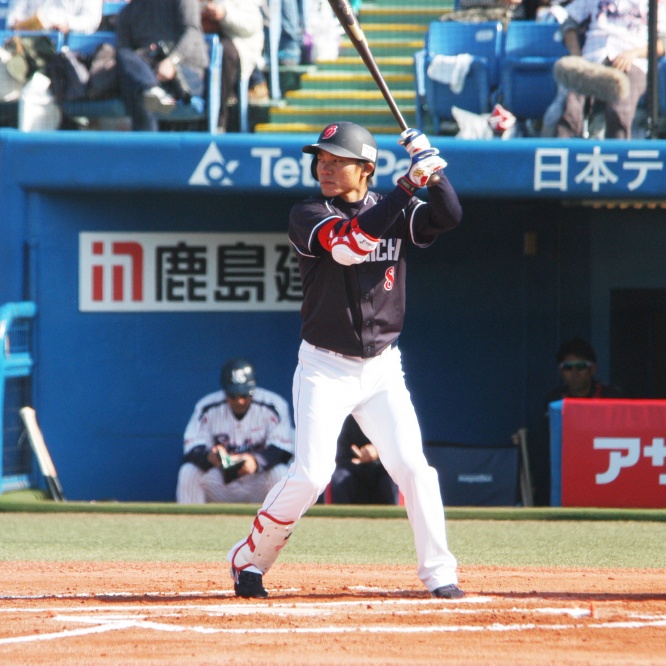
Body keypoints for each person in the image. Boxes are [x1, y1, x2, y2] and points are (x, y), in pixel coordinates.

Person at [226, 121, 465, 600]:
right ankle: (248, 559)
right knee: (312, 474)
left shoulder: (395, 208)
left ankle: (440, 574)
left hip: (381, 368)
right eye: (322, 160)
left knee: (415, 469)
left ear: (366, 169)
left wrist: (435, 173)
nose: (325, 168)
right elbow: (350, 247)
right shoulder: (309, 211)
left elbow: (449, 216)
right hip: (324, 367)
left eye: (338, 161)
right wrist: (408, 184)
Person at [176, 357, 294, 504]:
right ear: (225, 391)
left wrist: (255, 461)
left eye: (245, 395)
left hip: (257, 482)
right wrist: (209, 456)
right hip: (222, 482)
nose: (239, 401)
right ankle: (190, 526)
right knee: (189, 472)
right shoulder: (207, 407)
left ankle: (279, 526)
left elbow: (283, 449)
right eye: (233, 395)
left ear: (253, 389)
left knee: (281, 472)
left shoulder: (274, 405)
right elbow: (191, 447)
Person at [532, 336, 624, 505]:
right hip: (567, 471)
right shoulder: (554, 400)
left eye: (581, 367)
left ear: (592, 369)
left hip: (605, 467)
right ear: (561, 372)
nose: (574, 374)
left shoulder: (611, 396)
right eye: (568, 368)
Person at [555, 0, 666, 139]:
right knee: (571, 108)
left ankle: (617, 157)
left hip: (632, 63)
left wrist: (633, 54)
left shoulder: (656, 3)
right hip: (593, 61)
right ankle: (563, 156)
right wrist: (577, 55)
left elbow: (663, 42)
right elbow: (568, 23)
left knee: (619, 111)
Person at [114, 0, 209, 131]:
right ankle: (151, 89)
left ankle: (149, 147)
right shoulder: (127, 12)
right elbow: (125, 54)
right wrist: (146, 54)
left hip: (186, 70)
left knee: (140, 91)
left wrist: (171, 61)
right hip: (149, 73)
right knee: (129, 65)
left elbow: (192, 33)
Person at [200, 0, 268, 133]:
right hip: (199, 39)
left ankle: (219, 120)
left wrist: (224, 14)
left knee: (223, 52)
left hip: (239, 44)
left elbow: (251, 25)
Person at [329, 414, 399, 505]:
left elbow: (398, 452)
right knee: (339, 478)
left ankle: (394, 517)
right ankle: (338, 517)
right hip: (354, 472)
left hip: (382, 470)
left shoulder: (390, 418)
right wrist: (360, 461)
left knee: (392, 477)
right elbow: (341, 458)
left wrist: (377, 452)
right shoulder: (347, 420)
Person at [6, 0, 103, 34]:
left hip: (68, 50)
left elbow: (91, 20)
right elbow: (14, 15)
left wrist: (68, 25)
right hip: (27, 43)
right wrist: (19, 24)